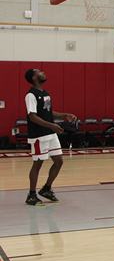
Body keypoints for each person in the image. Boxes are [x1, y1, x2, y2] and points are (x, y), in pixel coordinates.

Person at [23, 69, 76, 206]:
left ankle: (46, 189)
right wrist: (51, 126)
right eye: (39, 72)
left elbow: (48, 112)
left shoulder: (45, 93)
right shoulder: (31, 95)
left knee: (58, 161)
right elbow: (32, 116)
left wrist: (65, 114)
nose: (43, 73)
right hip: (39, 135)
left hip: (50, 134)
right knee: (38, 163)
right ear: (34, 78)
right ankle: (31, 194)